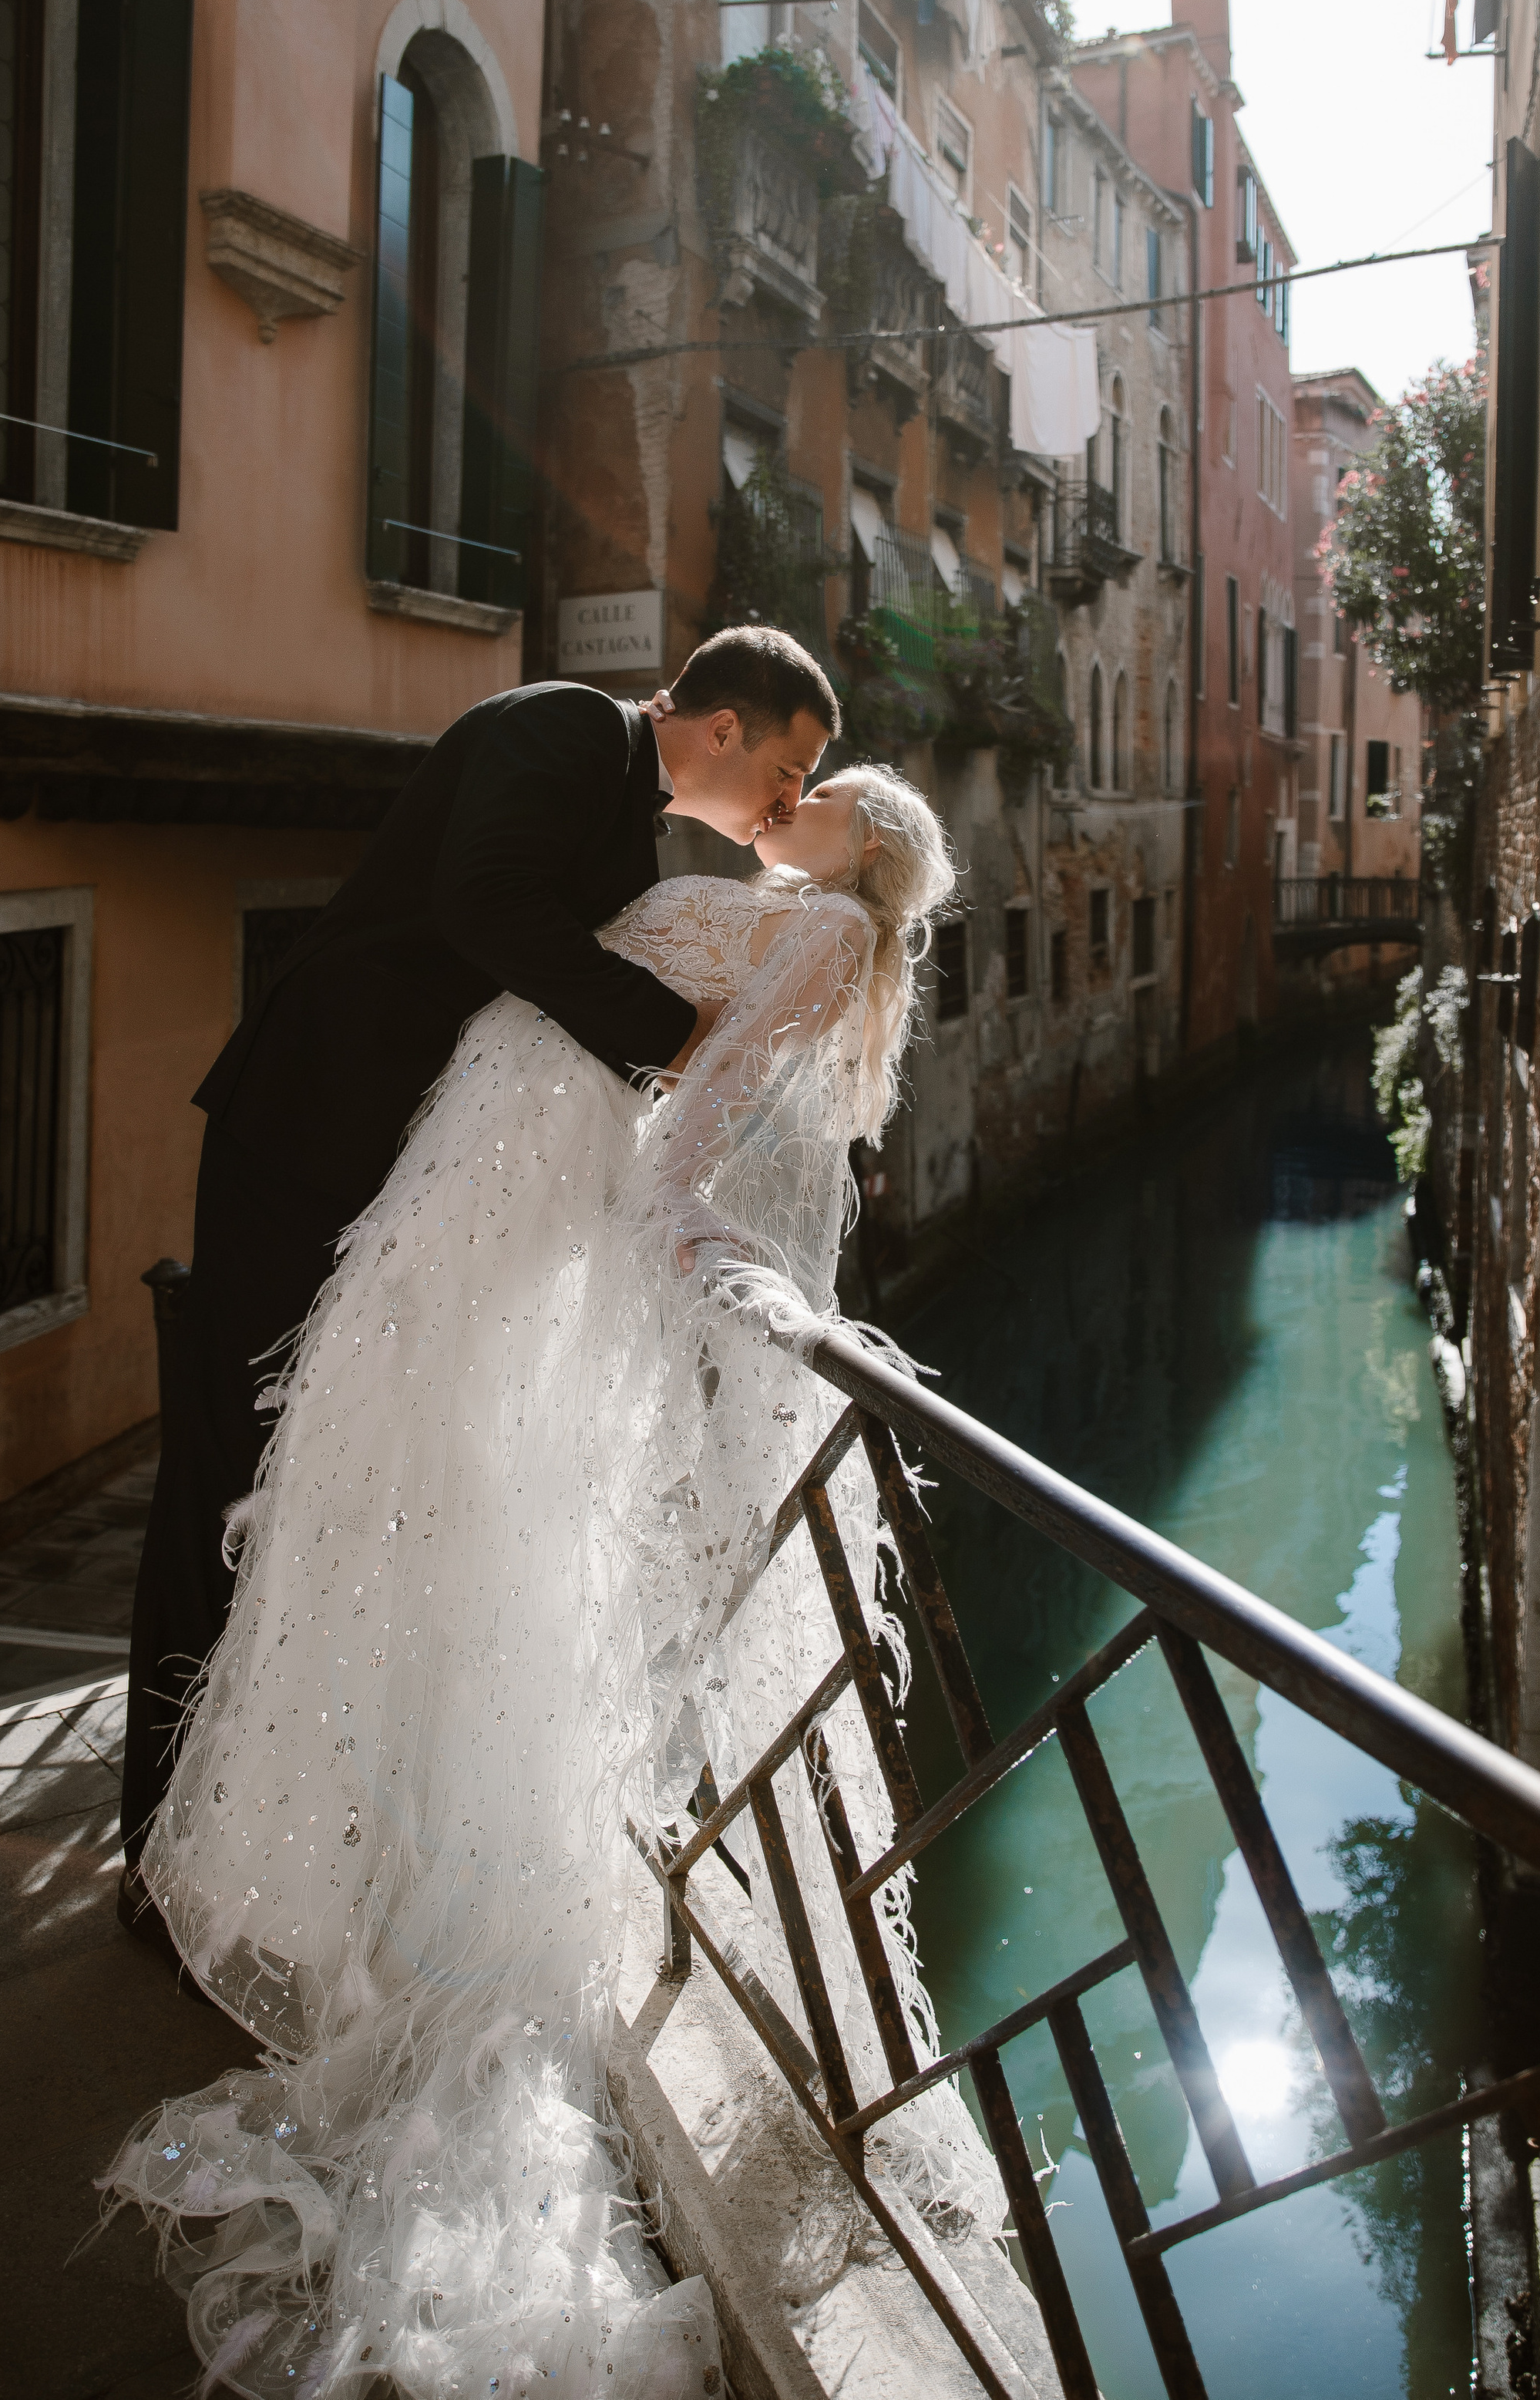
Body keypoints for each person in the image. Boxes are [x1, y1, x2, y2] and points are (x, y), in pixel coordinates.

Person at [101, 762, 998, 2400]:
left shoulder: (823, 936)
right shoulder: (787, 909)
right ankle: (393, 1868)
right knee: (397, 1472)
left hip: (533, 1150)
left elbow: (707, 1101)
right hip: (490, 1135)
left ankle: (437, 1900)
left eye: (818, 791)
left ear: (861, 841)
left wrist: (663, 1212)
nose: (788, 795)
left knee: (441, 1476)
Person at [119, 630, 839, 1899]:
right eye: (789, 769)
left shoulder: (626, 818)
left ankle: (259, 1824)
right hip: (307, 1132)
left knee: (331, 1473)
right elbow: (486, 903)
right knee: (234, 1461)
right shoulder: (563, 726)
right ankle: (158, 1847)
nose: (789, 803)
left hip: (398, 1168)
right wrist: (676, 1034)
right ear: (724, 728)